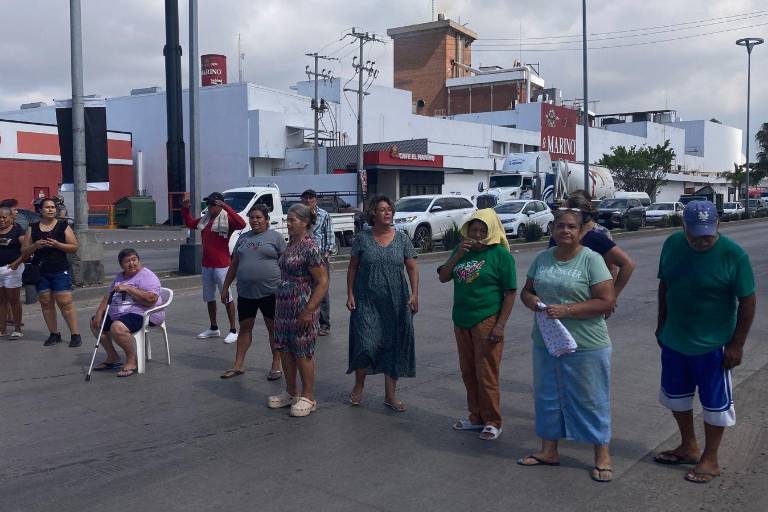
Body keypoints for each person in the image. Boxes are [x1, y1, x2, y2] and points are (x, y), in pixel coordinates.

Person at [654, 200, 756, 484]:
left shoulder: (734, 255)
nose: (701, 241)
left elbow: (748, 300)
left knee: (715, 405)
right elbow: (665, 284)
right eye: (695, 235)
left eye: (707, 236)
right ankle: (688, 446)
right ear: (684, 227)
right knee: (676, 397)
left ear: (718, 225)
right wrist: (661, 324)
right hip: (675, 339)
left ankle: (710, 459)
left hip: (714, 345)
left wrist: (736, 345)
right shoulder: (672, 244)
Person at [517, 208, 616, 482]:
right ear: (552, 229)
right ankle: (549, 450)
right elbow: (527, 290)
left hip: (587, 344)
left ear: (581, 231)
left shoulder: (591, 260)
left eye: (571, 226)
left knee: (591, 398)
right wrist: (531, 301)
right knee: (548, 397)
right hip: (547, 341)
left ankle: (602, 455)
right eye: (560, 226)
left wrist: (568, 310)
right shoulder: (543, 258)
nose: (565, 231)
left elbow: (606, 301)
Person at [438, 209, 516, 440]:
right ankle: (476, 417)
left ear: (491, 231)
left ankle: (493, 421)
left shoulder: (500, 255)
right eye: (474, 230)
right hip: (461, 319)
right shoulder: (461, 250)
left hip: (487, 319)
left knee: (486, 373)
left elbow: (510, 293)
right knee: (468, 371)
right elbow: (443, 276)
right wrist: (458, 254)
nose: (478, 235)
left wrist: (500, 325)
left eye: (483, 230)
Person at [347, 195, 419, 412]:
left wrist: (415, 294)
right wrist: (350, 293)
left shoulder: (402, 239)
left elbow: (412, 268)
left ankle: (390, 396)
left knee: (393, 346)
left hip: (396, 301)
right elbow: (352, 267)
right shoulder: (362, 239)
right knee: (365, 344)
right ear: (373, 214)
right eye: (382, 209)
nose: (387, 213)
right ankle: (359, 385)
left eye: (389, 209)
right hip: (366, 300)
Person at [268, 203, 328, 417]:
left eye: (292, 220)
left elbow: (322, 281)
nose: (288, 224)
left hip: (302, 304)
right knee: (285, 348)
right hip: (284, 305)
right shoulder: (291, 243)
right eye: (288, 220)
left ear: (305, 222)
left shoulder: (310, 247)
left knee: (303, 350)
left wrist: (309, 310)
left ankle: (308, 397)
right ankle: (291, 392)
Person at [220, 204, 287, 380]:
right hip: (246, 292)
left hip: (271, 292)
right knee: (245, 328)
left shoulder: (276, 238)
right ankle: (238, 365)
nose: (255, 220)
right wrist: (225, 288)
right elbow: (234, 264)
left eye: (259, 217)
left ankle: (276, 364)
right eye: (252, 217)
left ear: (267, 219)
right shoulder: (243, 238)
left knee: (273, 329)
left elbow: (286, 264)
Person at [549, 193, 636, 316]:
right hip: (556, 306)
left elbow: (625, 265)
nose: (563, 217)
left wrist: (612, 296)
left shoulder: (597, 237)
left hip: (588, 306)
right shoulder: (557, 238)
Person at [90, 249, 165, 378]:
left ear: (139, 260)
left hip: (144, 313)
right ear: (121, 265)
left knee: (117, 327)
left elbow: (151, 300)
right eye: (127, 261)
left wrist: (129, 288)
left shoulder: (147, 276)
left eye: (134, 260)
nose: (132, 264)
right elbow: (108, 296)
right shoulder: (120, 277)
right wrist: (99, 313)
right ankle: (113, 357)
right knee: (95, 323)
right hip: (121, 312)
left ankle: (132, 360)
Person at [182, 192, 246, 343]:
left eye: (212, 204)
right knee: (209, 298)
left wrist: (225, 206)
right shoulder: (205, 220)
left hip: (222, 266)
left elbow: (242, 224)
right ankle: (213, 327)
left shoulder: (227, 219)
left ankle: (233, 330)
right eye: (208, 204)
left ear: (219, 205)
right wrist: (185, 209)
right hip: (207, 265)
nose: (209, 207)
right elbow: (190, 223)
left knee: (227, 297)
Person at [19, 198, 82, 347]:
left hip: (60, 269)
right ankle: (54, 333)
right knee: (46, 302)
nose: (51, 210)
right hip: (41, 270)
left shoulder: (63, 225)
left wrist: (58, 244)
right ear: (40, 210)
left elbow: (74, 247)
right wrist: (35, 245)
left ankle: (75, 334)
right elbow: (24, 251)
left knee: (65, 301)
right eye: (47, 207)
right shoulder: (33, 227)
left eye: (53, 207)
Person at [301, 189, 335, 336]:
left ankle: (324, 324)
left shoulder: (324, 215)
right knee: (304, 290)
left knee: (322, 290)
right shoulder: (300, 214)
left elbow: (329, 234)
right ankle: (307, 322)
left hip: (319, 256)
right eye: (306, 198)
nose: (308, 201)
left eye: (311, 198)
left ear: (316, 200)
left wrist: (326, 254)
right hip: (303, 255)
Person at [0, 207, 26, 339]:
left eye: (4, 217)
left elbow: (27, 249)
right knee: (1, 300)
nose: (1, 220)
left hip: (12, 270)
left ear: (11, 218)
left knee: (14, 300)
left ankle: (17, 329)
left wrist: (17, 262)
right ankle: (2, 329)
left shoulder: (17, 231)